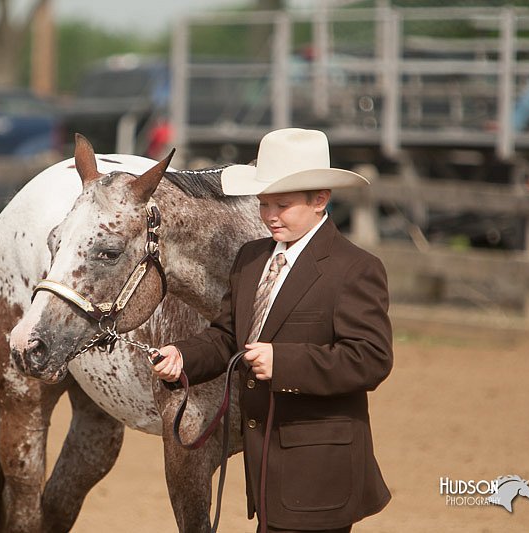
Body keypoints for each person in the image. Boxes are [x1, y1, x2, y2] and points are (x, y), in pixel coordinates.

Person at [152, 128, 393, 533]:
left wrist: (284, 362)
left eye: (282, 204)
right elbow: (228, 337)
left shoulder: (356, 268)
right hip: (266, 469)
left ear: (321, 200)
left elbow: (370, 359)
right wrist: (183, 356)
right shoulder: (250, 258)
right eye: (263, 204)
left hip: (319, 474)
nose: (269, 216)